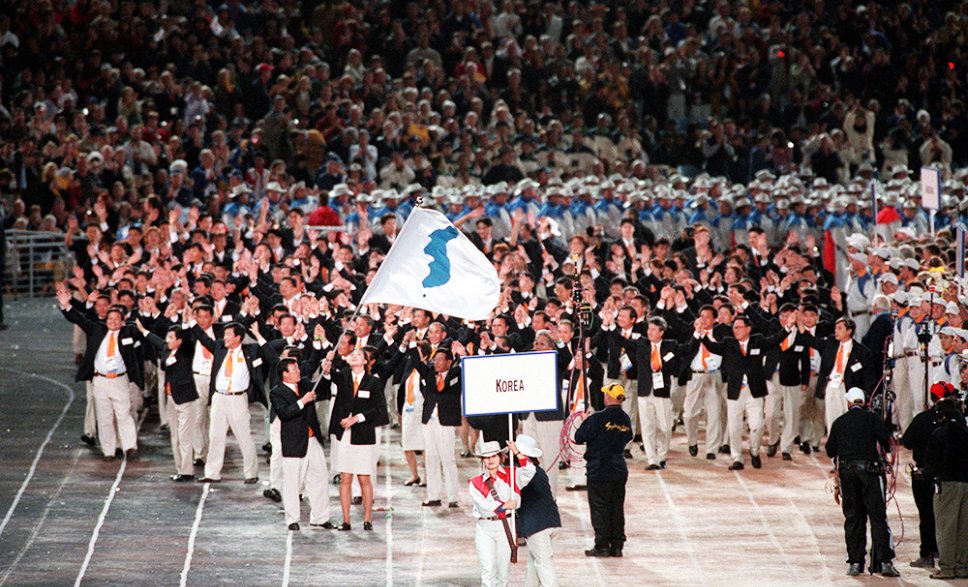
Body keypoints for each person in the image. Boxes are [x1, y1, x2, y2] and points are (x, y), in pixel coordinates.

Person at [56, 285, 142, 462]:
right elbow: (79, 319)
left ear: (122, 320)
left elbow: (143, 330)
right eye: (110, 319)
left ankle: (129, 447)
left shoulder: (129, 332)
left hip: (119, 380)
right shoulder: (97, 329)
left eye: (116, 319)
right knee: (104, 417)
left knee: (123, 414)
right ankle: (108, 451)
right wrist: (66, 305)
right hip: (100, 380)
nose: (112, 322)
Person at [825, 387, 900, 577]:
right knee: (877, 517)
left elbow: (830, 450)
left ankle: (856, 562)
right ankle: (884, 562)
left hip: (849, 474)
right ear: (864, 402)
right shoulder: (872, 418)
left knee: (853, 518)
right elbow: (886, 441)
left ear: (849, 402)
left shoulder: (839, 422)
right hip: (871, 474)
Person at [193, 321, 277, 483]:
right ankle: (212, 473)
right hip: (219, 397)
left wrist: (259, 335)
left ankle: (251, 473)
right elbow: (203, 338)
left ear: (238, 337)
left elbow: (272, 347)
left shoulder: (250, 351)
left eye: (228, 335)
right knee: (215, 436)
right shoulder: (219, 348)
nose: (224, 338)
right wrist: (190, 321)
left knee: (244, 436)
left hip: (237, 399)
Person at [321, 347, 385, 531]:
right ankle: (346, 520)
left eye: (359, 355)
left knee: (364, 477)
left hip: (363, 434)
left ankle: (367, 519)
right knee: (345, 477)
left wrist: (357, 418)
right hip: (344, 435)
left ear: (366, 361)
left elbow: (379, 410)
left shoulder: (373, 382)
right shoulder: (343, 377)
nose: (354, 356)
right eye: (352, 355)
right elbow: (329, 374)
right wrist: (327, 362)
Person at [270, 358, 333, 531]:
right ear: (285, 374)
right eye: (294, 369)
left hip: (312, 440)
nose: (299, 371)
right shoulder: (277, 392)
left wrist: (326, 373)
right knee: (292, 481)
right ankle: (292, 519)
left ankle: (320, 518)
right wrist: (303, 401)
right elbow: (285, 413)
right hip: (294, 442)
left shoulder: (304, 383)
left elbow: (320, 387)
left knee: (319, 477)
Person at [574, 383, 633, 558]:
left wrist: (584, 422)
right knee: (616, 508)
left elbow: (579, 437)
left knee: (600, 508)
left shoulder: (597, 418)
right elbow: (628, 437)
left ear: (608, 397)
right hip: (618, 469)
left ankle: (602, 546)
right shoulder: (625, 419)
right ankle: (617, 546)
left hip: (599, 470)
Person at [468, 439, 536, 587]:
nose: (490, 460)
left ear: (501, 457)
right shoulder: (475, 482)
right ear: (483, 460)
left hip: (506, 527)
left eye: (493, 456)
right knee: (488, 569)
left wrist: (517, 452)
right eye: (486, 457)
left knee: (503, 572)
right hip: (485, 527)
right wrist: (504, 505)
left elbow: (530, 471)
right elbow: (482, 506)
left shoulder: (513, 474)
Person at [136, 321, 198, 480]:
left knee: (185, 437)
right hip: (171, 399)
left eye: (171, 337)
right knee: (175, 436)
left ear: (179, 340)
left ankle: (187, 472)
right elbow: (156, 340)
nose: (168, 340)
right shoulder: (166, 349)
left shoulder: (185, 351)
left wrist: (185, 323)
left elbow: (188, 339)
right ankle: (180, 470)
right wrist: (143, 330)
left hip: (185, 399)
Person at [900, 381, 951, 569]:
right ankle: (945, 552)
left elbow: (907, 441)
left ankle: (927, 553)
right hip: (947, 474)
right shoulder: (954, 419)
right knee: (947, 516)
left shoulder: (922, 419)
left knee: (926, 515)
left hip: (923, 475)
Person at [923, 383, 968, 580]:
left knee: (946, 526)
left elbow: (931, 465)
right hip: (967, 483)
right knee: (964, 527)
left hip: (948, 484)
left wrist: (926, 473)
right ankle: (962, 566)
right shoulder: (965, 433)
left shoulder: (939, 434)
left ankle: (948, 568)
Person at [514, 434, 561, 587]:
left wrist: (516, 453)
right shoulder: (539, 470)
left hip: (538, 526)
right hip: (551, 522)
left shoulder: (524, 472)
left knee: (543, 564)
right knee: (534, 562)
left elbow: (526, 470)